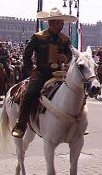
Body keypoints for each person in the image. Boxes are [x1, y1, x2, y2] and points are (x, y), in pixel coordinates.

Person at [11, 7, 76, 138]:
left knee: (75, 92)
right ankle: (21, 124)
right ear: (51, 23)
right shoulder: (38, 37)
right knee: (29, 94)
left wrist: (66, 58)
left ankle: (75, 124)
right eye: (59, 23)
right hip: (41, 73)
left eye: (62, 23)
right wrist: (30, 69)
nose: (61, 25)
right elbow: (26, 54)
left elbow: (69, 54)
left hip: (59, 73)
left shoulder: (65, 39)